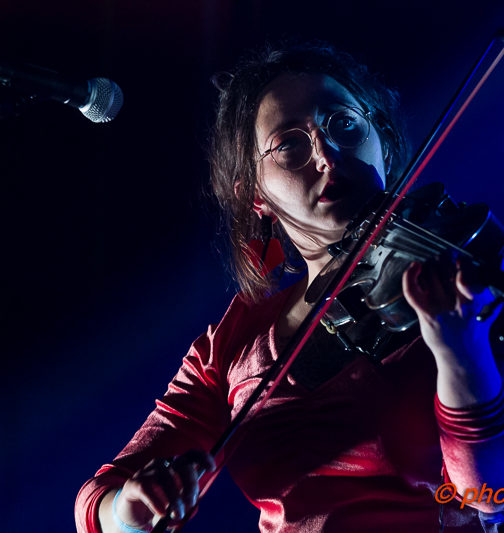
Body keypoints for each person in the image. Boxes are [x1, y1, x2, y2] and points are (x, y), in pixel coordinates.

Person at [75, 41, 504, 533]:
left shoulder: (456, 287)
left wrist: (462, 352)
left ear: (382, 142)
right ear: (255, 196)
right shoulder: (235, 341)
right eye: (289, 145)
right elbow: (96, 505)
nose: (326, 155)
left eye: (343, 123)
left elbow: (490, 495)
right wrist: (128, 509)